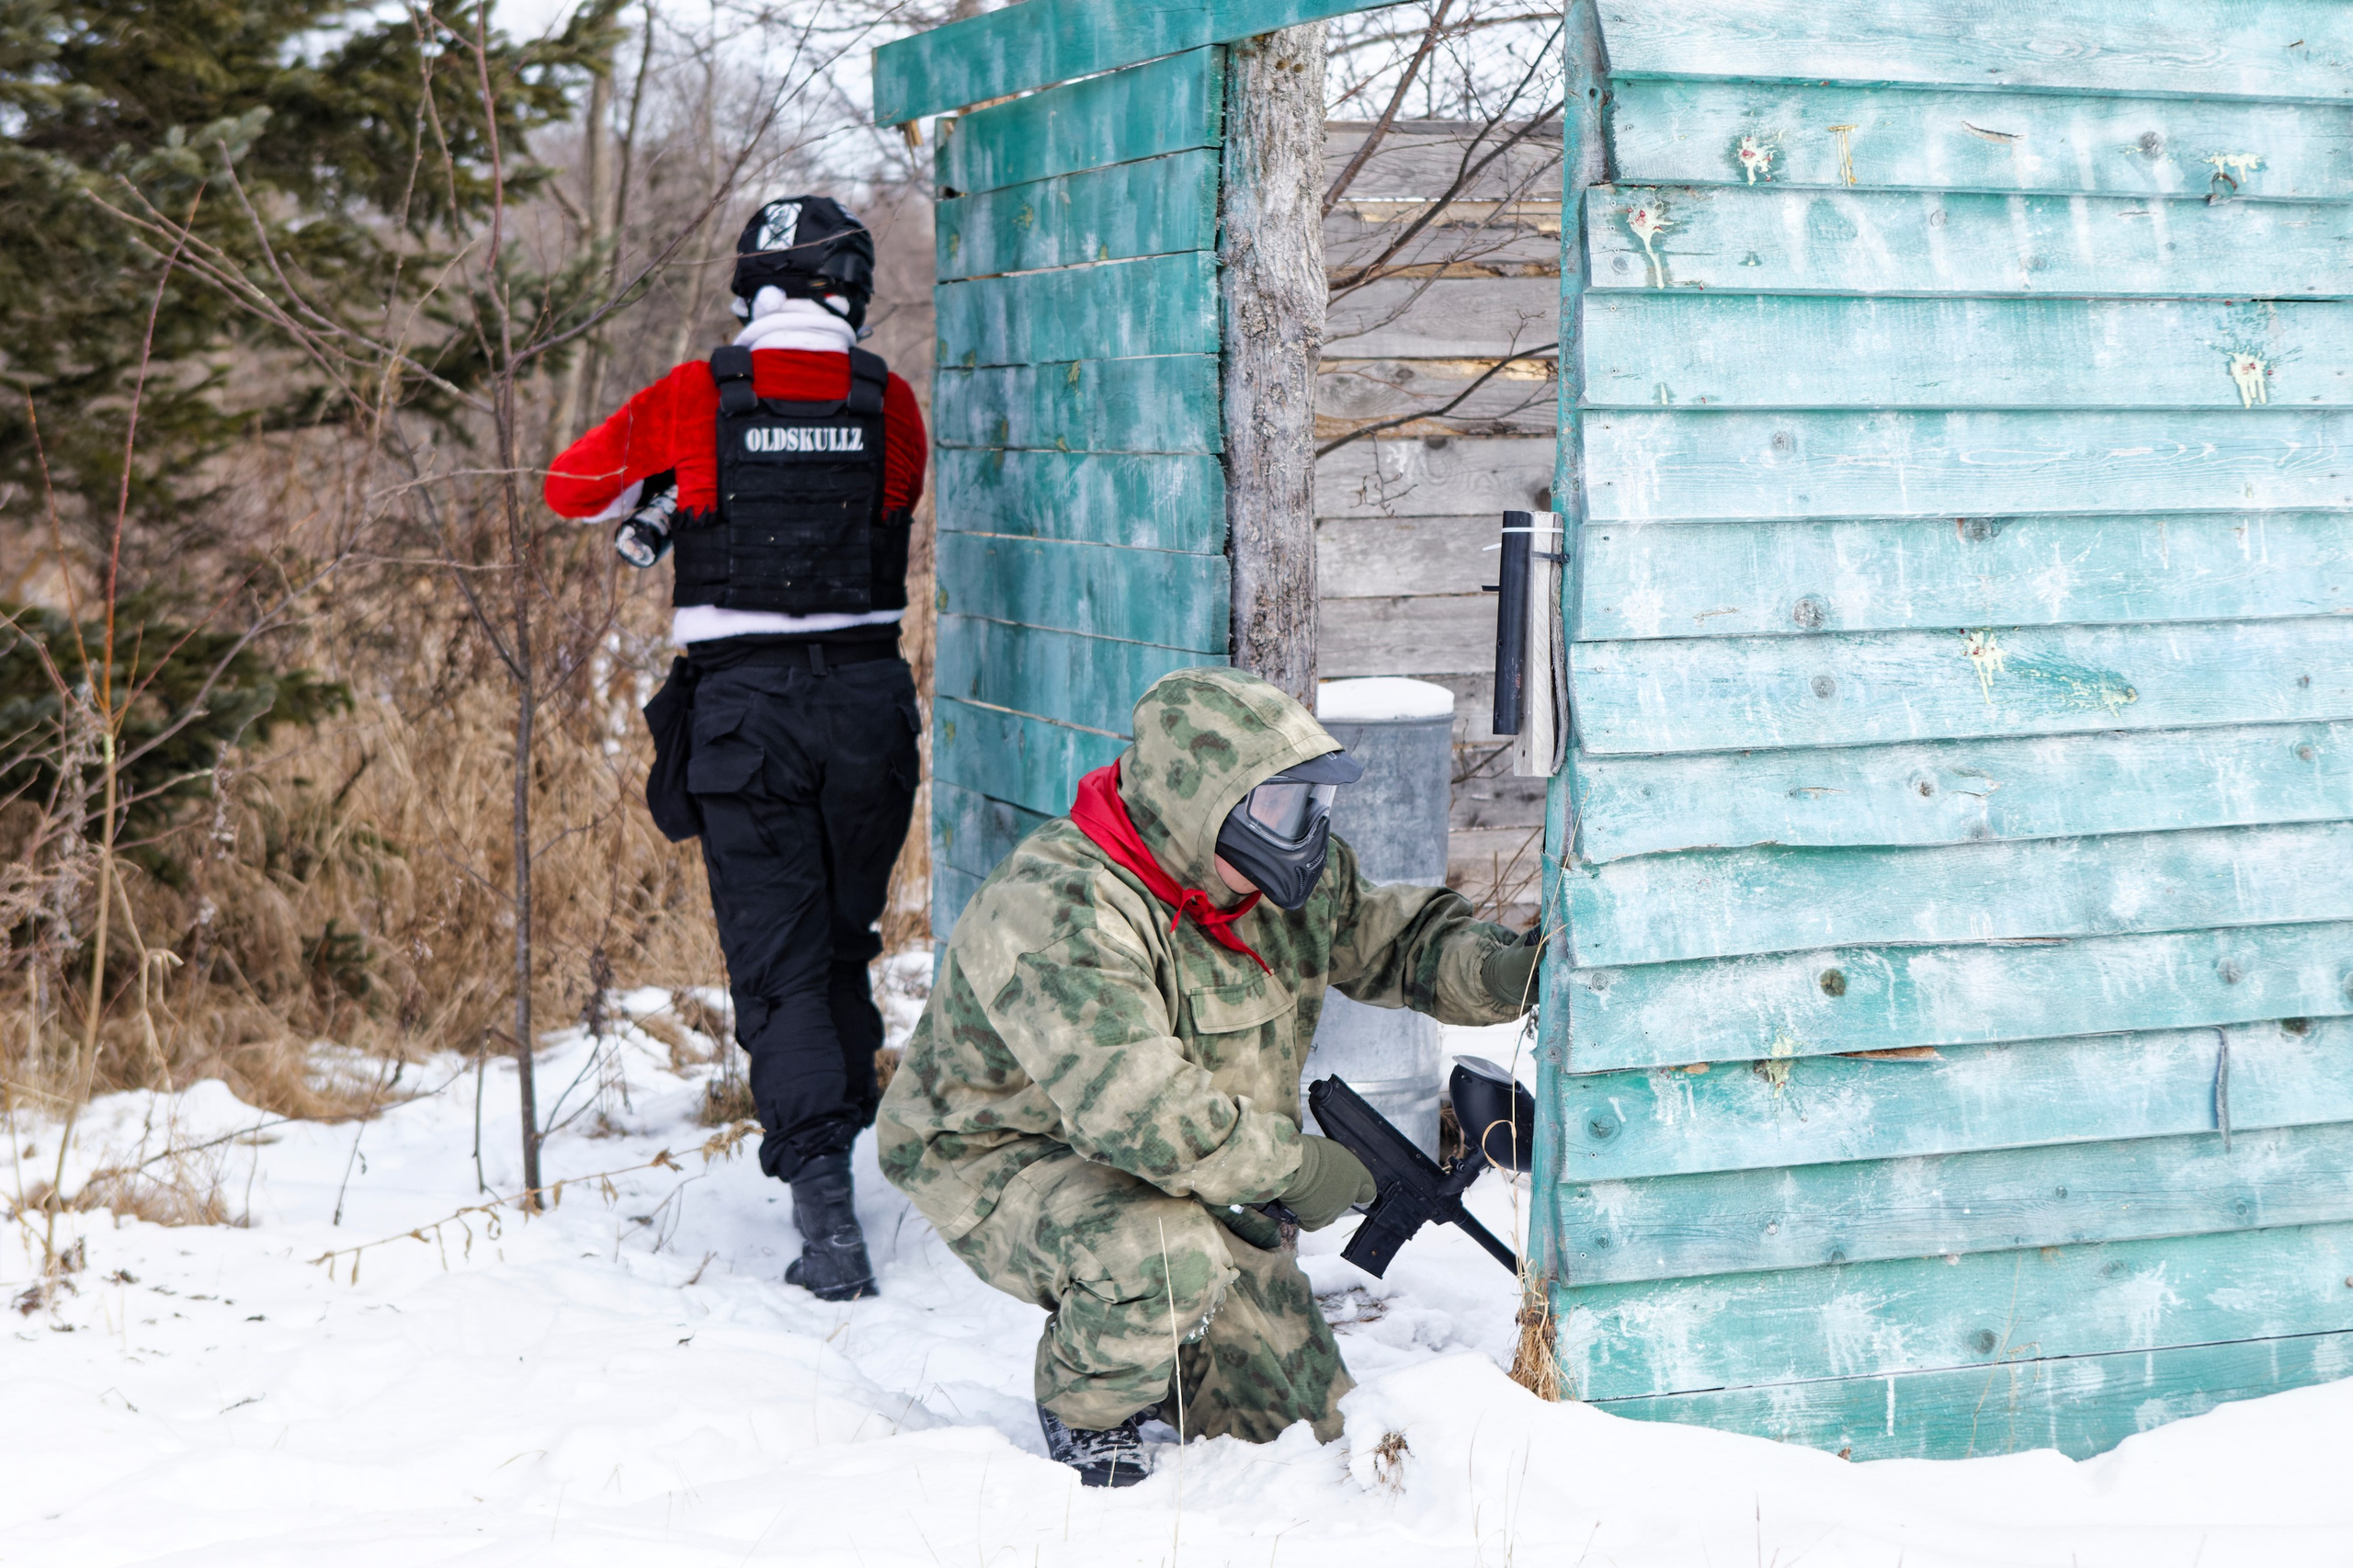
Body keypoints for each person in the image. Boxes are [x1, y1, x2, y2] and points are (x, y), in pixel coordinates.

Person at [875, 666, 1540, 1486]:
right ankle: (1087, 1406)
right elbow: (1140, 1109)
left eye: (1310, 803)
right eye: (1273, 805)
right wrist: (1298, 1168)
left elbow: (1400, 942)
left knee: (1307, 1431)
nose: (1300, 830)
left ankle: (1161, 1350)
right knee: (1161, 1262)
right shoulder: (1060, 906)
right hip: (1004, 1150)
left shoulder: (1273, 875)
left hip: (1198, 1166)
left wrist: (1514, 971)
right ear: (1194, 806)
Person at [545, 196, 928, 1302]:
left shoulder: (694, 396)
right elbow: (885, 505)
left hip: (745, 713)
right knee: (845, 941)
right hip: (866, 706)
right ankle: (841, 1146)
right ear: (845, 288)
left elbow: (571, 489)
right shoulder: (888, 399)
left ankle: (823, 1204)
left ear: (748, 289)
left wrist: (668, 485)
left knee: (779, 961)